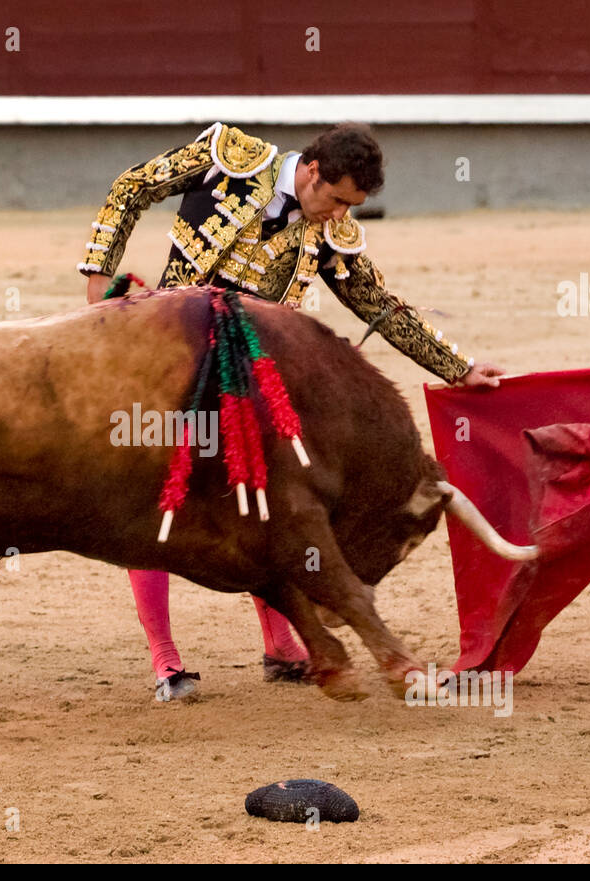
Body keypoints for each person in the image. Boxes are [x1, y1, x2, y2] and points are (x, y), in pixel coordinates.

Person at [78, 122, 505, 702]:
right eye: (334, 200)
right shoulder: (226, 156)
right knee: (161, 497)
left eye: (350, 206)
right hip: (170, 358)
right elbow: (132, 187)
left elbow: (376, 303)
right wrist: (99, 274)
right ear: (310, 170)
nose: (337, 216)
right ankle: (166, 661)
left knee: (270, 497)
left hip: (253, 378)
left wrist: (457, 366)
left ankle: (282, 647)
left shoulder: (333, 231)